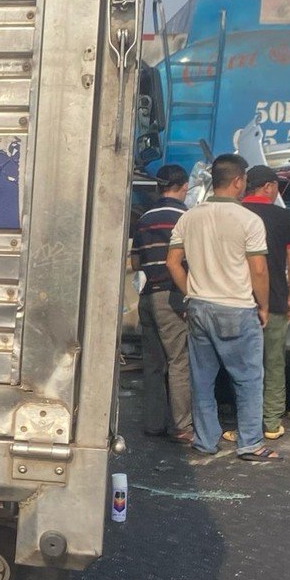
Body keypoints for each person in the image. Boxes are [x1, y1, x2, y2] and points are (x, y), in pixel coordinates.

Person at [166, 154, 276, 462]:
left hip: (200, 307)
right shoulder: (250, 221)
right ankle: (251, 443)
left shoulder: (189, 217)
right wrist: (264, 305)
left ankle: (205, 440)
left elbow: (172, 262)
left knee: (202, 380)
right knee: (248, 379)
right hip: (237, 308)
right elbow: (258, 269)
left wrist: (191, 293)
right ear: (239, 181)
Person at [237, 164, 290, 441]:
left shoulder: (236, 213)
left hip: (239, 301)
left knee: (241, 366)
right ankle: (272, 423)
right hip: (273, 300)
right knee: (273, 363)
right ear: (268, 187)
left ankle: (244, 423)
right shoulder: (285, 217)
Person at [133, 165, 192, 440]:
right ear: (184, 186)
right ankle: (182, 426)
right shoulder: (186, 217)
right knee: (179, 361)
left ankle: (153, 424)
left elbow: (135, 261)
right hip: (172, 295)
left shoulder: (144, 218)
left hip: (147, 297)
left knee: (153, 364)